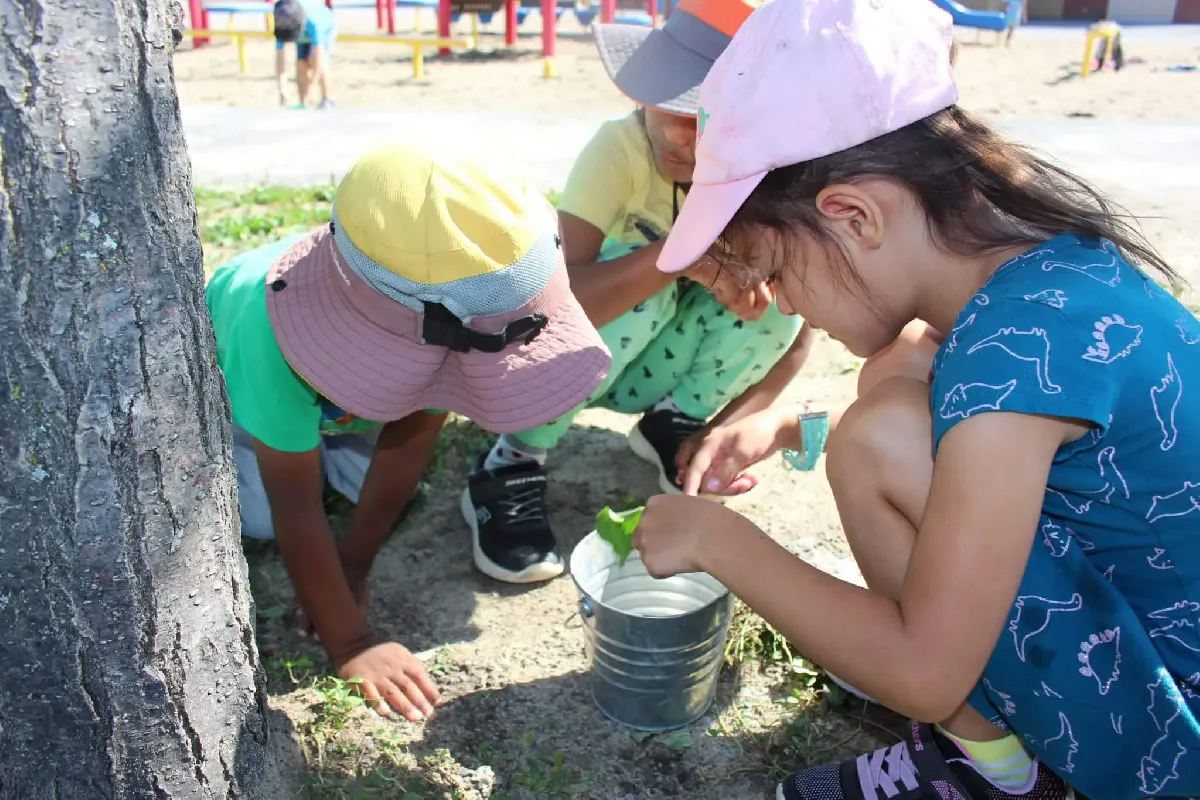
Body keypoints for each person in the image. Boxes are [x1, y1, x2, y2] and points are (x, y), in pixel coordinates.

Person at [635, 0, 1200, 798]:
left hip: (1173, 752)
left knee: (875, 436)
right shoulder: (1045, 277)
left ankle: (1002, 774)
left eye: (774, 270)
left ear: (854, 215)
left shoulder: (1002, 367)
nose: (781, 305)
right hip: (1167, 660)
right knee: (887, 392)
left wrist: (718, 543)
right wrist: (791, 424)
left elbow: (924, 674)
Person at [204, 143, 610, 722]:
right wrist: (350, 641)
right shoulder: (266, 332)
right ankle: (300, 447)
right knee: (269, 513)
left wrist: (354, 563)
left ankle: (327, 451)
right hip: (248, 404)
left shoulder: (459, 297)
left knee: (375, 486)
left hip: (342, 412)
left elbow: (410, 441)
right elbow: (294, 504)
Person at [461, 0, 813, 586]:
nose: (678, 134)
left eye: (703, 117)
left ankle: (673, 424)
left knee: (776, 303)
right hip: (576, 361)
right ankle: (513, 460)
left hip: (657, 367)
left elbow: (800, 337)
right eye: (665, 105)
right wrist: (677, 259)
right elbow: (555, 300)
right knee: (643, 284)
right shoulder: (618, 150)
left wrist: (722, 430)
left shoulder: (760, 176)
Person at [273, 0, 336, 108]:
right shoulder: (282, 20)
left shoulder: (314, 23)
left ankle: (327, 99)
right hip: (303, 30)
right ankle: (303, 103)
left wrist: (313, 84)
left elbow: (318, 58)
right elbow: (280, 62)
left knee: (316, 61)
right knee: (301, 64)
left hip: (325, 29)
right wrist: (283, 91)